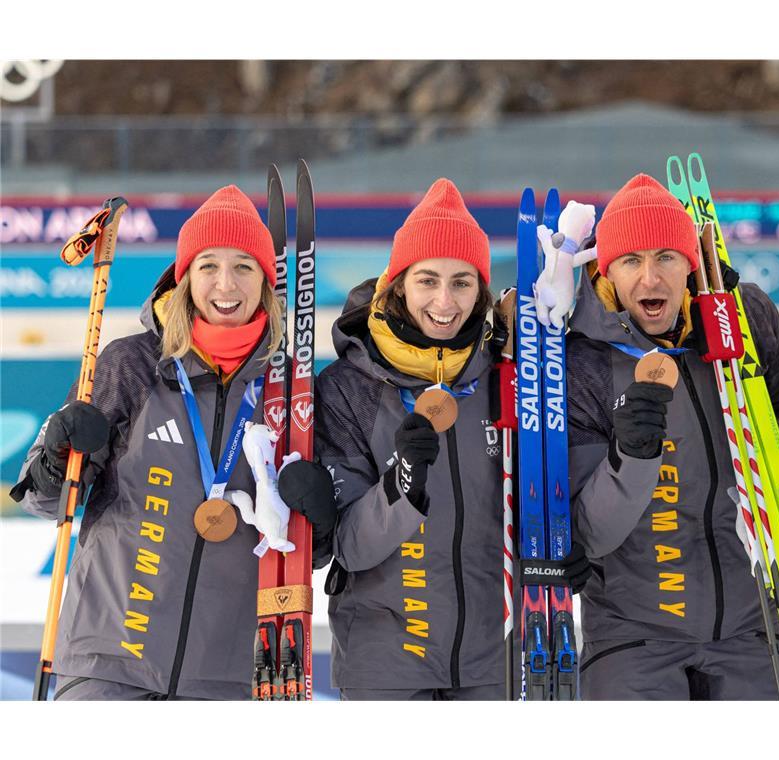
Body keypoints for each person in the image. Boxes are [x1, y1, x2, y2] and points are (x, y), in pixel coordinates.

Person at [11, 186, 336, 700]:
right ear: (184, 278)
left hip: (224, 683)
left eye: (244, 267)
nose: (225, 283)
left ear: (265, 282)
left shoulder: (290, 389)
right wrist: (58, 454)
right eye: (208, 266)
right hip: (108, 666)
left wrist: (322, 516)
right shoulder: (131, 364)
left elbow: (303, 554)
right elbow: (46, 499)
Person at [313, 178, 587, 700]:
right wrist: (402, 484)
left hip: (497, 663)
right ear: (398, 286)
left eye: (462, 282)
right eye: (427, 280)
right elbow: (347, 546)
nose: (445, 301)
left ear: (481, 291)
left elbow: (548, 493)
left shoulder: (512, 373)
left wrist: (570, 548)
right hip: (387, 668)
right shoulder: (348, 388)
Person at [565, 174, 779, 700]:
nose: (650, 277)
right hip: (632, 636)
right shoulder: (581, 358)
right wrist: (632, 456)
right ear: (607, 270)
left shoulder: (746, 315)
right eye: (631, 260)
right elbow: (590, 533)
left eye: (667, 257)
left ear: (691, 264)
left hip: (755, 623)